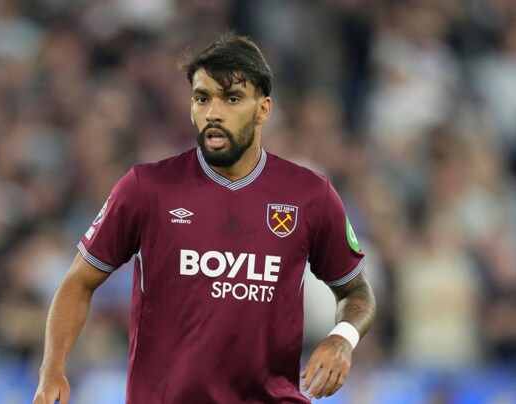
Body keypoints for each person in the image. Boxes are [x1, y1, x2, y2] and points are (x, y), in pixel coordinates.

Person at [33, 33, 376, 404]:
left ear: (263, 109)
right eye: (202, 98)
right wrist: (52, 369)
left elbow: (357, 291)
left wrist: (342, 338)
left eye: (231, 99)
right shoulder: (146, 189)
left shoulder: (310, 196)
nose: (213, 112)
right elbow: (79, 282)